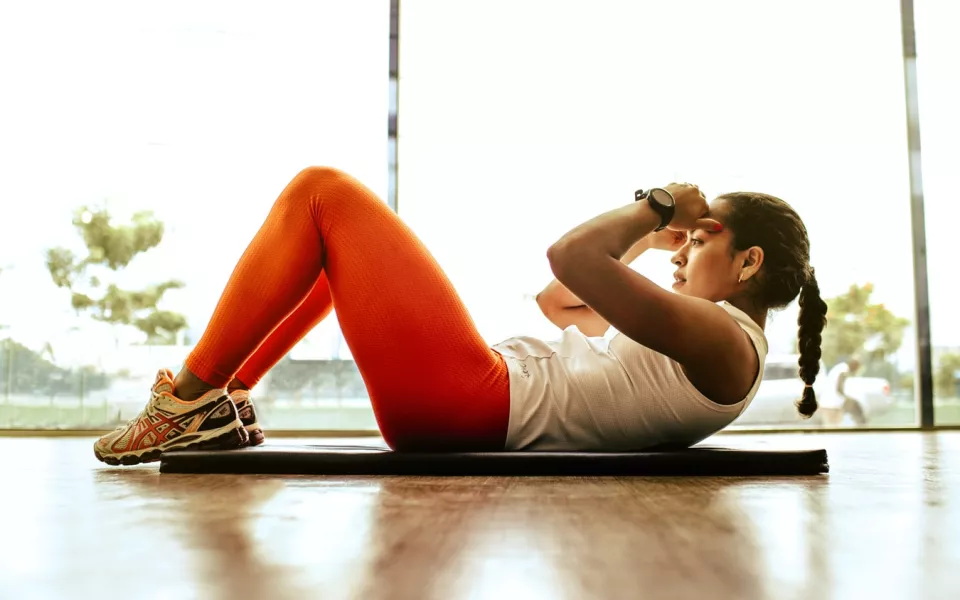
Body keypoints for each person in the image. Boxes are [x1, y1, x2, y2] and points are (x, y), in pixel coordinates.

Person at [94, 167, 828, 465]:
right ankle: (222, 399)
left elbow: (569, 256)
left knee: (321, 194)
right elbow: (562, 302)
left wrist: (657, 204)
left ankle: (185, 400)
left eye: (701, 241)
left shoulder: (726, 342)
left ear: (750, 265)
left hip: (470, 399)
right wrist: (648, 232)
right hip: (475, 393)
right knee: (328, 250)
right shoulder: (701, 341)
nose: (680, 253)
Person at [820, 357, 866, 426]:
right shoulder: (843, 370)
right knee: (832, 430)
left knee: (834, 430)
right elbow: (839, 389)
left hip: (831, 404)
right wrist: (849, 399)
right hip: (831, 406)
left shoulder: (841, 367)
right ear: (854, 365)